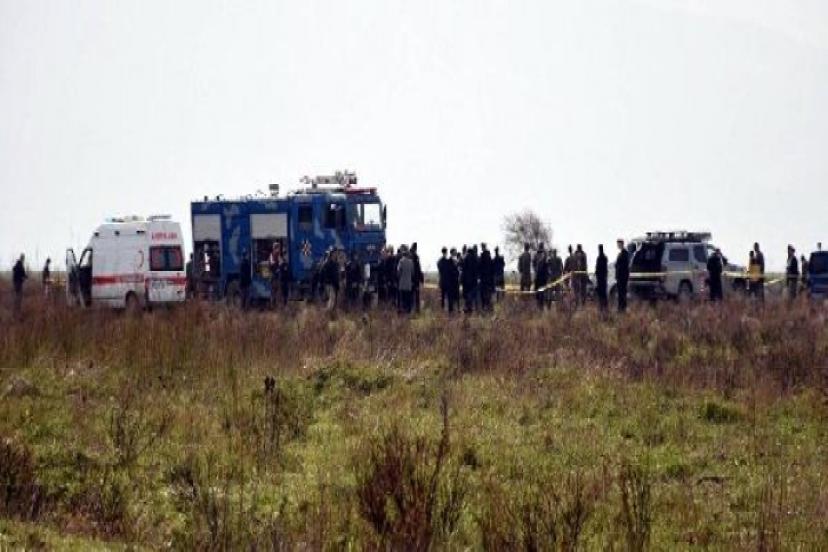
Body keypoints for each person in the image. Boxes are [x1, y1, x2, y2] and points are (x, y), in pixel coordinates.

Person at [397, 245, 415, 314]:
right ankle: (408, 311)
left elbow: (398, 272)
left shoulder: (401, 261)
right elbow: (412, 273)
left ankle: (403, 311)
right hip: (408, 284)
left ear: (403, 254)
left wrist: (399, 277)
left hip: (402, 284)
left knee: (402, 299)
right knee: (408, 299)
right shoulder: (411, 262)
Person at [462, 245, 479, 313]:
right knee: (471, 294)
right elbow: (477, 269)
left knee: (467, 295)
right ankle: (470, 308)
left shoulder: (465, 258)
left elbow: (463, 269)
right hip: (473, 280)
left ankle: (467, 308)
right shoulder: (475, 258)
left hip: (466, 280)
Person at [479, 243, 494, 312]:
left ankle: (485, 307)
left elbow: (480, 267)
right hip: (489, 278)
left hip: (484, 278)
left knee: (484, 295)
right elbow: (491, 267)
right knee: (489, 294)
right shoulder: (489, 256)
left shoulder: (482, 256)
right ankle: (490, 308)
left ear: (482, 247)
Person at [615, 240, 629, 313]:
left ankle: (623, 308)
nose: (618, 245)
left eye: (619, 244)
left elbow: (624, 265)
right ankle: (620, 308)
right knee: (620, 293)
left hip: (623, 276)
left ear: (622, 244)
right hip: (619, 276)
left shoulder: (625, 253)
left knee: (622, 293)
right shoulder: (620, 253)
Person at [445, 248, 461, 313]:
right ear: (452, 252)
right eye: (455, 252)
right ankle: (451, 311)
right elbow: (450, 271)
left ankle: (457, 309)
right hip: (451, 282)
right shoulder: (449, 261)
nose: (456, 253)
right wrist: (457, 271)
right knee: (451, 297)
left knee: (457, 297)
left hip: (456, 282)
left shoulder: (457, 260)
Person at [410, 243, 424, 313]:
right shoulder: (415, 256)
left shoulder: (409, 256)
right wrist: (421, 279)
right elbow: (418, 269)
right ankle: (417, 310)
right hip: (415, 279)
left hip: (410, 279)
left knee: (411, 295)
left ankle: (412, 309)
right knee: (416, 295)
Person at [595, 245, 608, 310]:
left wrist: (596, 273)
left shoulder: (599, 258)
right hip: (604, 278)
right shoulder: (605, 258)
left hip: (600, 278)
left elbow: (597, 268)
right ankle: (605, 306)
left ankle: (601, 306)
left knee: (600, 294)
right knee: (604, 293)